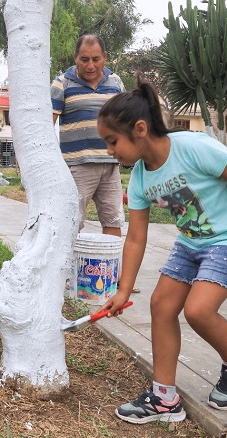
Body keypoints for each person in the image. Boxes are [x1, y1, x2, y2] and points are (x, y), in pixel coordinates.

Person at [95, 77, 227, 424]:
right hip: (191, 243)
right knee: (161, 305)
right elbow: (135, 238)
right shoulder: (139, 178)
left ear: (139, 128)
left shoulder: (192, 147)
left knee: (198, 310)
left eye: (112, 141)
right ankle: (164, 398)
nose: (109, 150)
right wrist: (122, 289)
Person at [51, 34, 140, 292]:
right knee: (71, 221)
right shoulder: (62, 83)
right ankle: (63, 274)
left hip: (110, 164)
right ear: (75, 58)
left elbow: (125, 119)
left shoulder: (115, 82)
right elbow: (49, 123)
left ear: (105, 58)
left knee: (113, 220)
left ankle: (112, 275)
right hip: (76, 165)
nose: (90, 66)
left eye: (96, 59)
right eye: (84, 59)